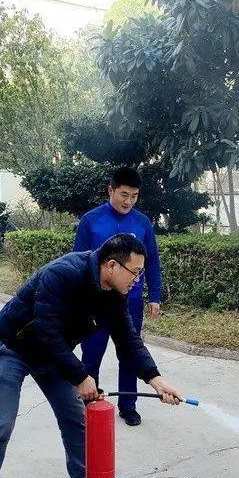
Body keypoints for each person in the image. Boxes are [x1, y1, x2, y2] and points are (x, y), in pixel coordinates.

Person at [0, 233, 182, 478]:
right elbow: (47, 331)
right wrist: (82, 375)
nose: (137, 280)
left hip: (54, 356)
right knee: (0, 423)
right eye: (134, 272)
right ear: (111, 266)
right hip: (14, 347)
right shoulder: (63, 274)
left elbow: (128, 341)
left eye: (141, 273)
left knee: (75, 418)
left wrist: (156, 380)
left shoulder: (115, 296)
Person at [75, 166, 162, 427]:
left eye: (134, 196)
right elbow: (79, 262)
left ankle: (128, 405)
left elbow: (152, 261)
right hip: (96, 302)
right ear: (111, 190)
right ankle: (89, 404)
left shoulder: (142, 223)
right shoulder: (91, 221)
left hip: (130, 302)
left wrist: (154, 296)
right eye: (124, 194)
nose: (128, 201)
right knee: (92, 353)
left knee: (129, 352)